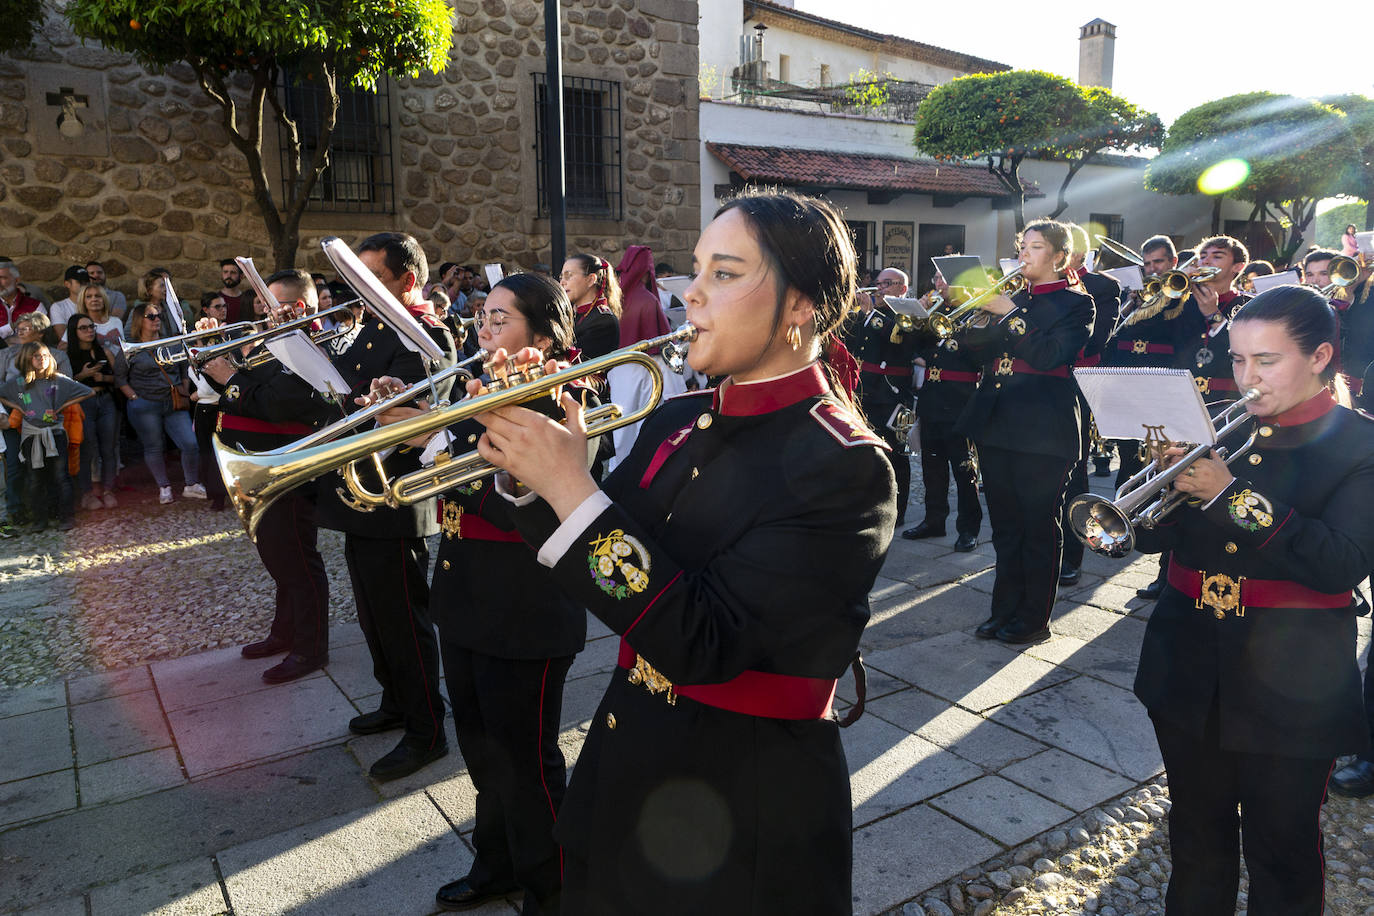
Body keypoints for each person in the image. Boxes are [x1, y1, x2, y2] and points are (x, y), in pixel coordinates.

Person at [464, 190, 896, 913]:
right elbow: (601, 558)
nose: (689, 293)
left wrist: (573, 490)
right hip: (626, 762)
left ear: (801, 306)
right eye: (696, 270)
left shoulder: (846, 463)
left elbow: (702, 641)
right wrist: (531, 471)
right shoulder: (680, 416)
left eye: (725, 274)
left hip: (743, 806)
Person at [1129, 285, 1373, 913]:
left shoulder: (1358, 444)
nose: (1247, 377)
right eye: (1237, 360)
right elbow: (1160, 541)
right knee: (1195, 835)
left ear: (1319, 356)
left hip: (1294, 678)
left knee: (1282, 848)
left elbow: (1340, 563)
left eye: (1266, 360)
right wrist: (1162, 491)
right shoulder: (1218, 430)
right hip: (1189, 657)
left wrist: (1228, 494)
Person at [364, 273, 593, 914]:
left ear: (544, 335)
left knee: (529, 766)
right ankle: (497, 865)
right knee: (483, 756)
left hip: (526, 611)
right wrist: (407, 425)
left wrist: (430, 438)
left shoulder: (561, 399)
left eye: (501, 320)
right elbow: (447, 482)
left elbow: (513, 507)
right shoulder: (478, 392)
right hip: (464, 599)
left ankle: (555, 891)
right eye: (483, 319)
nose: (484, 330)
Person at [315, 232, 457, 781]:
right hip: (360, 491)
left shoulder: (426, 333)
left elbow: (418, 416)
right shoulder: (371, 326)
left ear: (407, 280)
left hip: (396, 495)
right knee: (374, 615)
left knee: (403, 618)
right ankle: (396, 699)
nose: (361, 287)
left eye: (373, 276)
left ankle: (428, 728)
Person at [958, 218, 1093, 645]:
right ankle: (1003, 611)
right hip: (998, 424)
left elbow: (1050, 354)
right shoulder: (1012, 299)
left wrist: (1010, 315)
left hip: (1045, 430)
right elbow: (969, 352)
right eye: (1022, 247)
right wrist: (979, 317)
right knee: (1005, 526)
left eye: (1034, 248)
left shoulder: (1078, 304)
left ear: (1058, 256)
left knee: (1038, 526)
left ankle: (1034, 619)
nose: (1023, 255)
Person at [200, 274, 337, 683]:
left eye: (272, 303)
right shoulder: (275, 340)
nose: (263, 310)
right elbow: (237, 389)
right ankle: (284, 632)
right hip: (259, 463)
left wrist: (230, 375)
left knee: (298, 561)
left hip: (288, 470)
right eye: (263, 302)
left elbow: (278, 404)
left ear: (301, 308)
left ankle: (311, 649)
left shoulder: (310, 346)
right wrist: (210, 355)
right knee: (279, 559)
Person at [1105, 234, 1189, 601]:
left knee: (1168, 474)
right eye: (1148, 263)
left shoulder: (1180, 295)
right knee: (1128, 460)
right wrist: (1131, 302)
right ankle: (1126, 525)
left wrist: (1165, 295)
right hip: (1130, 387)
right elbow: (1114, 339)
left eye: (1159, 263)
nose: (1153, 269)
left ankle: (1165, 568)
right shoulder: (1134, 297)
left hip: (1164, 389)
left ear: (1172, 262)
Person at [901, 273, 982, 550]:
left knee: (963, 468)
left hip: (959, 402)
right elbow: (910, 346)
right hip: (932, 399)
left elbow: (978, 353)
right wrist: (919, 316)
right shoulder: (936, 311)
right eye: (935, 278)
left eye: (944, 279)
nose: (937, 284)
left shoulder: (975, 311)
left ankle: (969, 528)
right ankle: (934, 521)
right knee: (931, 467)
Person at [846, 267, 917, 527]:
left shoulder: (907, 313)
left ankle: (898, 509)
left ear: (902, 287)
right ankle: (871, 502)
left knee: (897, 452)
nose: (880, 288)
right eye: (878, 283)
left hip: (893, 392)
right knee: (867, 451)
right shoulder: (869, 314)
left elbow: (897, 338)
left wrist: (869, 313)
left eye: (887, 284)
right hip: (866, 389)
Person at [113, 303, 204, 504]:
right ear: (139, 320)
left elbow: (183, 368)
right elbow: (120, 378)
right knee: (154, 446)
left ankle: (192, 484)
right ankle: (164, 487)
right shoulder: (131, 348)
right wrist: (134, 398)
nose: (157, 320)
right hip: (145, 404)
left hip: (173, 402)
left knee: (190, 443)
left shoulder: (170, 342)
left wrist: (184, 389)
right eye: (151, 316)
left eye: (158, 316)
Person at [0, 343, 92, 531]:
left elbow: (88, 391)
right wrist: (19, 407)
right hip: (31, 435)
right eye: (36, 356)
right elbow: (2, 394)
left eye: (44, 355)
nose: (41, 359)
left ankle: (66, 517)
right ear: (26, 359)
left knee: (60, 476)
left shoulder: (57, 380)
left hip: (55, 433)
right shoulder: (20, 383)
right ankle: (39, 520)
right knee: (35, 478)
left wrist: (61, 406)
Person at [66, 313, 119, 510]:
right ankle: (87, 494)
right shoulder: (68, 355)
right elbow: (65, 384)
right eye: (84, 328)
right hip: (83, 402)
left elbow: (118, 378)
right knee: (86, 449)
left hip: (105, 400)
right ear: (74, 331)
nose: (89, 331)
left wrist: (102, 378)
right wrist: (83, 375)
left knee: (108, 448)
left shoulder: (103, 350)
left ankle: (108, 490)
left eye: (91, 327)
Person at [559, 254, 621, 362]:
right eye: (561, 277)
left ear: (591, 279)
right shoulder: (573, 314)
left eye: (568, 276)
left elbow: (579, 363)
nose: (562, 282)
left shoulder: (603, 320)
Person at [0, 260, 44, 347]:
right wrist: (11, 327)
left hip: (28, 357)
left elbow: (39, 337)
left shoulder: (35, 306)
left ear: (16, 280)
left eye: (3, 278)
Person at [77, 284, 124, 349]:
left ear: (104, 299)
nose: (94, 299)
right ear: (83, 301)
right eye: (89, 296)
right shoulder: (77, 323)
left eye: (98, 296)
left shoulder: (116, 321)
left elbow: (123, 347)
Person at [49, 266, 88, 340]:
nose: (84, 285)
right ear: (67, 284)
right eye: (80, 282)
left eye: (86, 282)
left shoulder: (96, 304)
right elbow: (64, 338)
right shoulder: (58, 307)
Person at [218, 258, 247, 323]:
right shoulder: (216, 299)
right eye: (225, 272)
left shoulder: (246, 299)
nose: (228, 276)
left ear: (241, 276)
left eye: (233, 272)